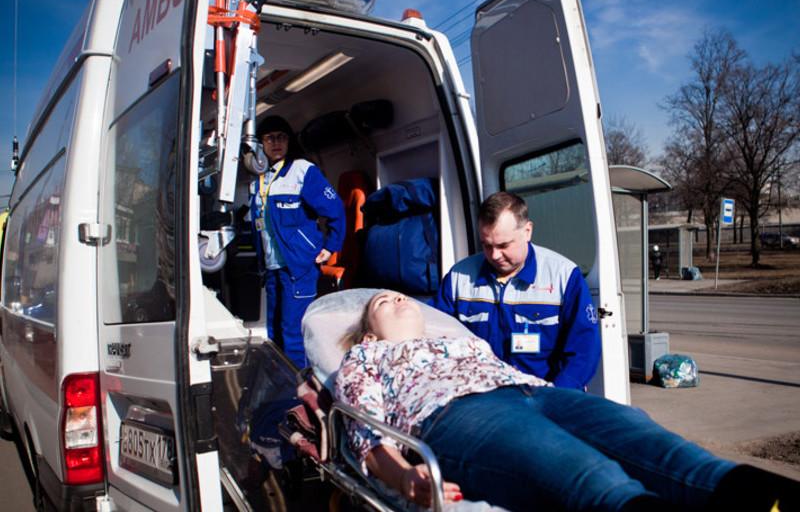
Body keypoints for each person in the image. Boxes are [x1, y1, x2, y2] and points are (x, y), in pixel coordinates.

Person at [336, 290, 798, 511]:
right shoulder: (366, 357)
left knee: (669, 452)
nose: (397, 298)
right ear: (370, 330)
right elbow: (364, 430)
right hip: (459, 414)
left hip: (537, 395)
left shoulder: (465, 342)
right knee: (592, 477)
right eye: (382, 301)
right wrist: (401, 476)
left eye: (399, 295)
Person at [431, 192, 599, 389]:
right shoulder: (459, 277)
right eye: (486, 245)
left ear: (527, 231)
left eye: (503, 245)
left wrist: (558, 397)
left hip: (543, 394)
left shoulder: (564, 276)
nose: (494, 255)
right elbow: (434, 336)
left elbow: (584, 350)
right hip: (479, 397)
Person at [248, 115, 345, 367]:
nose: (276, 143)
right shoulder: (259, 179)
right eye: (270, 138)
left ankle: (299, 394)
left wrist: (330, 246)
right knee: (274, 334)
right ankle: (280, 388)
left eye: (281, 137)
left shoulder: (303, 171)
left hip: (298, 268)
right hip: (272, 269)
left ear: (289, 141)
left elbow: (335, 209)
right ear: (261, 144)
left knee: (293, 335)